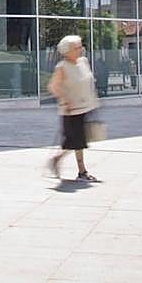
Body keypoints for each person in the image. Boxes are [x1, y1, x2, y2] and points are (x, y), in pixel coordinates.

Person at [46, 35, 100, 182]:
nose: (80, 49)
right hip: (71, 110)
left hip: (85, 107)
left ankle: (81, 171)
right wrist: (64, 101)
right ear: (67, 51)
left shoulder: (83, 62)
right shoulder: (62, 67)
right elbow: (53, 86)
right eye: (76, 48)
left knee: (79, 142)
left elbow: (88, 81)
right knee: (74, 142)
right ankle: (59, 161)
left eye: (80, 46)